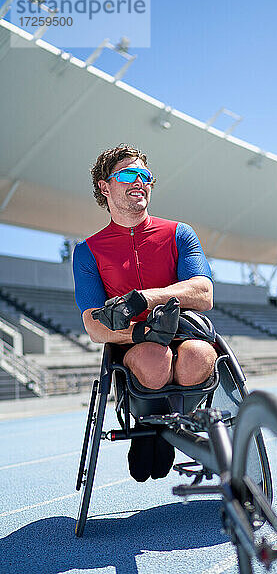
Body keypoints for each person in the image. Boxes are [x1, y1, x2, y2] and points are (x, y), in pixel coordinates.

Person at [72, 143, 217, 482]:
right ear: (104, 187)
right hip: (135, 346)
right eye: (127, 174)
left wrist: (143, 299)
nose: (139, 181)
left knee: (198, 355)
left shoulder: (180, 233)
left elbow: (204, 291)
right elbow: (93, 325)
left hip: (184, 335)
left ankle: (169, 429)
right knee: (154, 358)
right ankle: (148, 426)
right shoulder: (88, 251)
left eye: (145, 175)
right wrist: (141, 332)